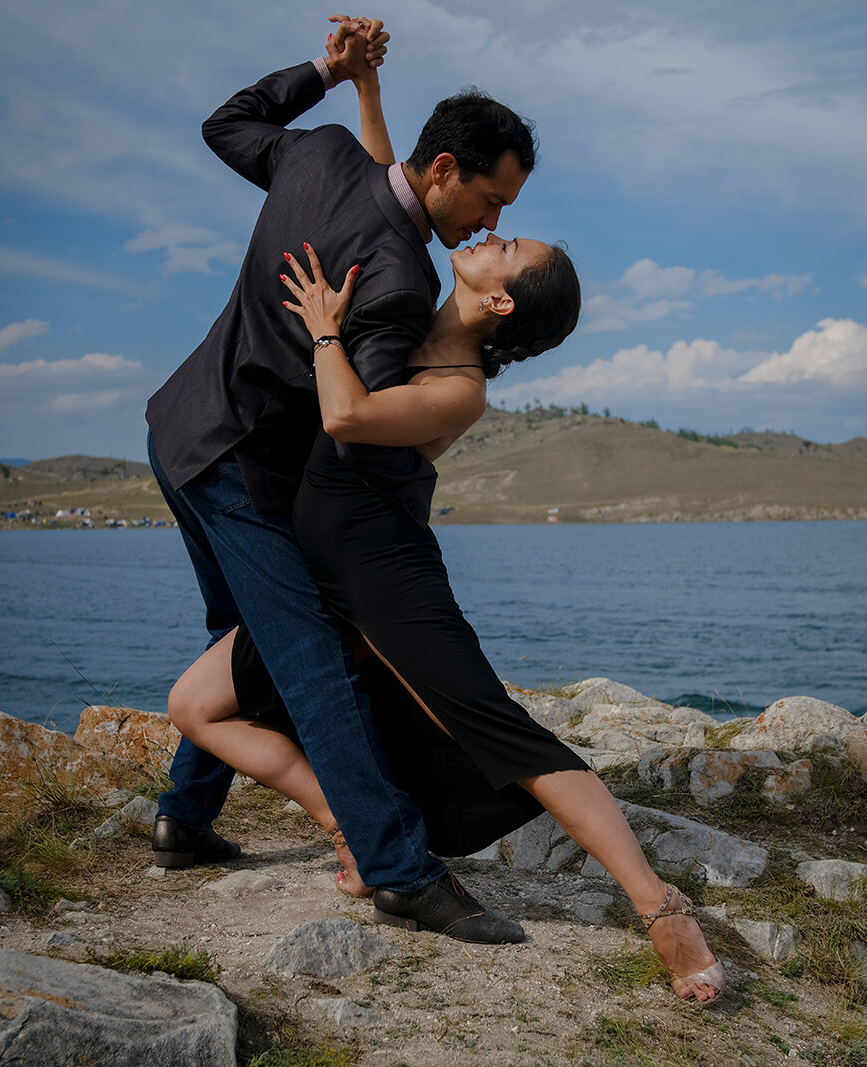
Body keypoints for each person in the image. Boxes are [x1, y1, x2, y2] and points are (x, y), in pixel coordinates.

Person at [169, 89, 725, 1008]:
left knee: (506, 734)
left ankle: (662, 909)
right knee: (197, 705)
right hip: (323, 570)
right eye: (496, 219)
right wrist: (365, 89)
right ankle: (351, 825)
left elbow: (346, 414)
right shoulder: (415, 300)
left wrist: (318, 327)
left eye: (506, 244)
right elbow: (403, 187)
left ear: (499, 295)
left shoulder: (459, 385)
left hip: (386, 575)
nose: (491, 232)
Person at [146, 14, 539, 943]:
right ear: (445, 169)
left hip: (177, 432)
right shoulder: (399, 282)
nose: (493, 221)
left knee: (238, 636)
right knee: (310, 659)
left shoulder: (318, 155)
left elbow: (227, 123)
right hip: (243, 472)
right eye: (490, 199)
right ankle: (400, 867)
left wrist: (334, 72)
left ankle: (184, 818)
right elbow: (355, 417)